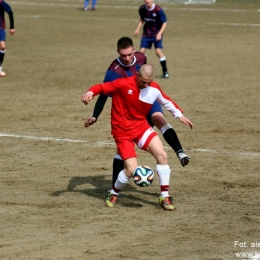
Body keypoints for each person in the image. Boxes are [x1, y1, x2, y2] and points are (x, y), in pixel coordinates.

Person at [81, 64, 194, 210]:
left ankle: (164, 196)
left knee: (162, 155)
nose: (147, 85)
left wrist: (180, 115)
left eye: (149, 81)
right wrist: (90, 93)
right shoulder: (123, 84)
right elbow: (101, 88)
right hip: (122, 132)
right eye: (143, 81)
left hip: (141, 127)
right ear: (137, 76)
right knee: (131, 169)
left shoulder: (154, 87)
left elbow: (166, 101)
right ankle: (114, 192)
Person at [85, 37, 190, 191]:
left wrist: (179, 114)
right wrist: (95, 115)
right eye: (123, 56)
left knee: (158, 118)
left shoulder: (141, 57)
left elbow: (154, 84)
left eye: (129, 54)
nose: (127, 59)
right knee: (122, 149)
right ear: (118, 53)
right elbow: (103, 93)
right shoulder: (113, 72)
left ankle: (180, 153)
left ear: (134, 50)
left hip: (145, 97)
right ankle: (115, 186)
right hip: (128, 107)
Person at [134, 0, 169, 78]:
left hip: (156, 34)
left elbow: (164, 22)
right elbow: (142, 19)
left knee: (158, 51)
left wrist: (160, 33)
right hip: (146, 34)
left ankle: (165, 71)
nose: (147, 0)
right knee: (141, 52)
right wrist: (137, 29)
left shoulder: (158, 9)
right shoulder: (142, 9)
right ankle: (143, 72)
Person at [0, 0, 15, 77]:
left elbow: (9, 11)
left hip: (0, 28)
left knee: (3, 47)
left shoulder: (1, 2)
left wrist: (12, 27)